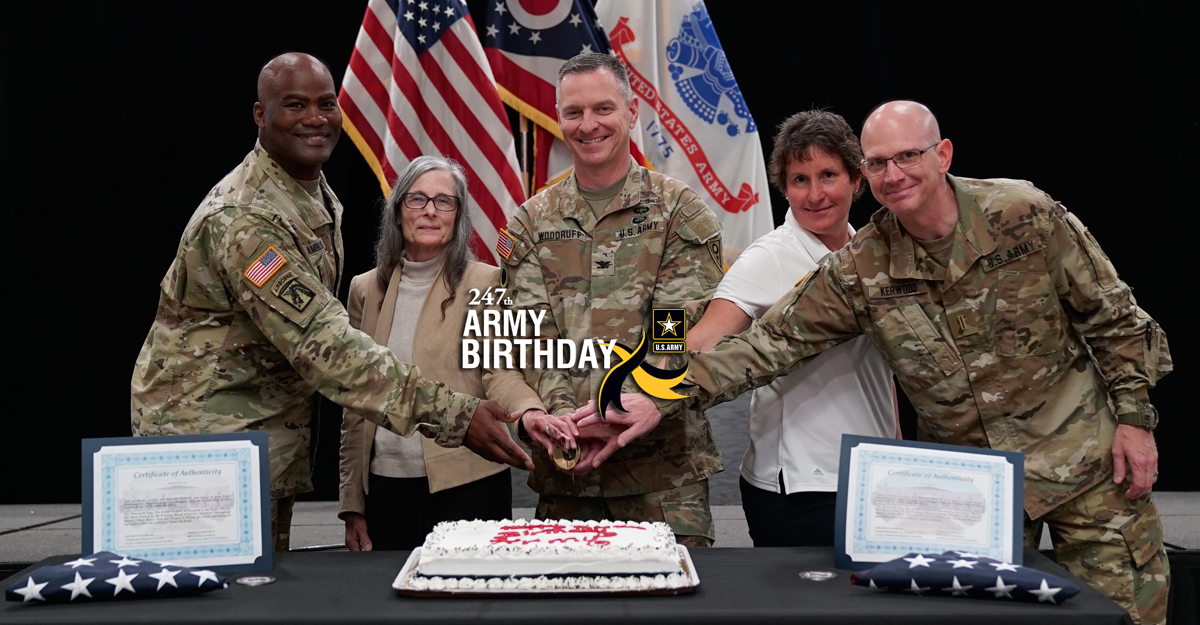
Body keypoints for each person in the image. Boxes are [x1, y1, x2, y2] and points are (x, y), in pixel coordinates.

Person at [635, 100, 1169, 623]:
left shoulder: (1020, 213)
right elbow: (752, 345)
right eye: (880, 162)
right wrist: (653, 386)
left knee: (1125, 612)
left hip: (1088, 464)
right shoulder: (847, 266)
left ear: (943, 154)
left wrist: (1135, 420)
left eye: (907, 156)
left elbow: (1114, 318)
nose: (894, 174)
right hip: (963, 489)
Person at [130, 53, 532, 552]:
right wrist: (452, 415)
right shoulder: (246, 220)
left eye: (326, 103)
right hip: (206, 450)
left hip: (261, 441)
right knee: (209, 601)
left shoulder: (309, 194)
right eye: (294, 105)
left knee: (260, 592)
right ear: (260, 115)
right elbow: (326, 346)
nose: (315, 118)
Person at [496, 52, 726, 547]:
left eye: (603, 109)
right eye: (573, 112)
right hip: (567, 475)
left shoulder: (678, 211)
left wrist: (621, 406)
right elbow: (535, 337)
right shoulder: (530, 222)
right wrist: (564, 423)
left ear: (631, 111)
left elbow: (676, 327)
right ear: (558, 117)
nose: (588, 125)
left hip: (663, 479)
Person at [686, 110, 897, 547]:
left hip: (874, 477)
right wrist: (638, 389)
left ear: (857, 181)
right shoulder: (769, 257)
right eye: (800, 179)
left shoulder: (874, 255)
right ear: (784, 187)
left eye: (828, 175)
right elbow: (702, 342)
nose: (815, 194)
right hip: (798, 489)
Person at [339, 156, 545, 551]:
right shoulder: (364, 290)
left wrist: (529, 414)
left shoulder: (489, 281)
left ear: (459, 216)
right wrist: (352, 502)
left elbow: (500, 373)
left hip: (470, 486)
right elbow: (354, 403)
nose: (431, 210)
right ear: (397, 212)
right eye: (417, 199)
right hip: (385, 489)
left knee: (473, 610)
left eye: (444, 201)